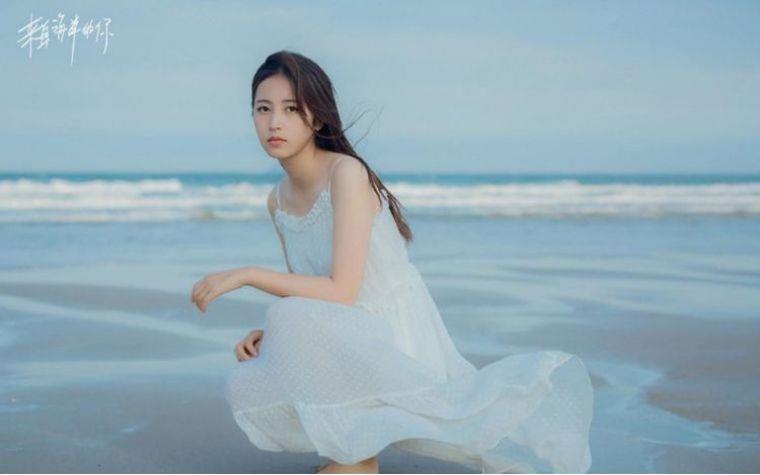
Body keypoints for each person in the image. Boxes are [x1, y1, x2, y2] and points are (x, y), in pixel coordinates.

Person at [191, 50, 594, 474]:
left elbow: (342, 291)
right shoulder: (277, 200)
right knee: (251, 370)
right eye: (263, 109)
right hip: (345, 330)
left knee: (289, 317)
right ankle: (355, 454)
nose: (275, 122)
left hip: (394, 334)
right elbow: (308, 292)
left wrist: (248, 274)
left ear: (318, 118)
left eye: (291, 109)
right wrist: (271, 336)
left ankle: (358, 459)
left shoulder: (345, 173)